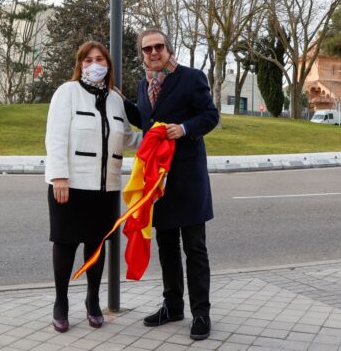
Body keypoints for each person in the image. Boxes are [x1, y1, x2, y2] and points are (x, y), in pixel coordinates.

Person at [123, 28, 219, 341]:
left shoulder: (192, 78)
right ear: (142, 55)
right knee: (166, 247)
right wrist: (119, 101)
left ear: (168, 48)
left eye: (158, 47)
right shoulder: (143, 84)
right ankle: (173, 305)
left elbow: (210, 115)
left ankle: (201, 313)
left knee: (194, 248)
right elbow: (146, 120)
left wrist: (186, 127)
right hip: (158, 181)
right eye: (147, 49)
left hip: (188, 179)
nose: (153, 53)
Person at [45, 41, 141, 333]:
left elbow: (125, 137)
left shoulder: (115, 99)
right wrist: (59, 176)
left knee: (96, 247)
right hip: (71, 186)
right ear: (80, 64)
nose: (94, 64)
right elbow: (56, 136)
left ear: (108, 65)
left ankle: (93, 300)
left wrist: (158, 139)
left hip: (106, 188)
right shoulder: (67, 92)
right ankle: (61, 302)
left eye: (100, 59)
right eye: (88, 60)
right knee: (66, 244)